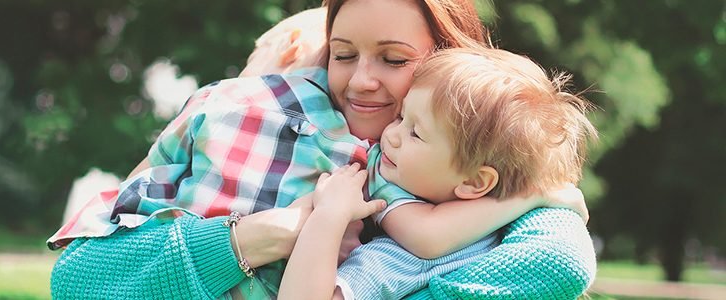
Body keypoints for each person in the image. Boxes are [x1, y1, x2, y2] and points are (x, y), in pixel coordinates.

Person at [49, 1, 596, 299]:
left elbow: (557, 261)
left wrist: (542, 196)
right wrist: (265, 234)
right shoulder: (245, 118)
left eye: (395, 60)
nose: (360, 81)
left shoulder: (497, 149)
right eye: (341, 54)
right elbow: (77, 280)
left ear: (449, 65)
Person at [279, 45, 598, 299]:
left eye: (415, 132)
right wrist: (535, 195)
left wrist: (329, 214)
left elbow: (428, 238)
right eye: (401, 116)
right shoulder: (389, 186)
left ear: (475, 181)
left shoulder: (409, 259)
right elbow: (427, 237)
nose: (390, 135)